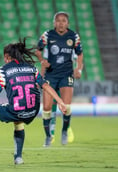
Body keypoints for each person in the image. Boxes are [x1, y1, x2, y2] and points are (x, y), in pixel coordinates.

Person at [0, 37, 67, 164]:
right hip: (33, 110)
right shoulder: (32, 68)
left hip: (17, 109)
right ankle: (18, 158)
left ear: (7, 56)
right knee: (18, 121)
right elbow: (45, 86)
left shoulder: (3, 70)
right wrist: (60, 101)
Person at [35, 12, 84, 147]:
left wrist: (78, 69)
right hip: (51, 75)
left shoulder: (73, 36)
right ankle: (48, 137)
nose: (61, 23)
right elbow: (38, 50)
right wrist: (42, 61)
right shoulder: (47, 35)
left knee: (66, 107)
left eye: (63, 21)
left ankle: (64, 131)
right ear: (54, 23)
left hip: (66, 74)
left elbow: (80, 54)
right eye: (58, 21)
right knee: (46, 107)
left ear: (67, 23)